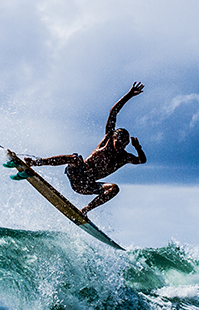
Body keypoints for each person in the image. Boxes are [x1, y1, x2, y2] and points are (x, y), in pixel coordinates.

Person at [25, 82, 147, 215]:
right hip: (78, 173)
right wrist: (129, 95)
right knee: (75, 159)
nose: (121, 146)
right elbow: (113, 112)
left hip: (87, 186)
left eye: (124, 144)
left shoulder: (124, 156)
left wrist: (138, 147)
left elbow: (141, 161)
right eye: (119, 143)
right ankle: (37, 162)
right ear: (113, 138)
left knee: (114, 189)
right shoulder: (107, 139)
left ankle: (85, 210)